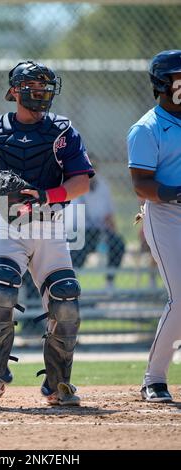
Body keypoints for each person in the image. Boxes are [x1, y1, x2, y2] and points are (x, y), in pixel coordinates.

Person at [0, 60, 94, 405]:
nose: (44, 93)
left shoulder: (62, 132)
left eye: (47, 87)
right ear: (16, 90)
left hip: (50, 224)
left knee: (65, 300)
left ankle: (57, 383)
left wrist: (47, 195)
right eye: (35, 86)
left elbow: (81, 183)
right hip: (8, 226)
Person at [127, 50, 181, 403]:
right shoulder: (147, 128)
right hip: (166, 216)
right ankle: (154, 378)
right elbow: (142, 185)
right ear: (163, 84)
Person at [67, 160, 125, 290]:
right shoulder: (74, 185)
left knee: (118, 244)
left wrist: (113, 232)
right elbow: (73, 220)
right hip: (80, 230)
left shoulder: (103, 187)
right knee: (77, 248)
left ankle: (110, 281)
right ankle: (71, 283)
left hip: (100, 231)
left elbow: (109, 215)